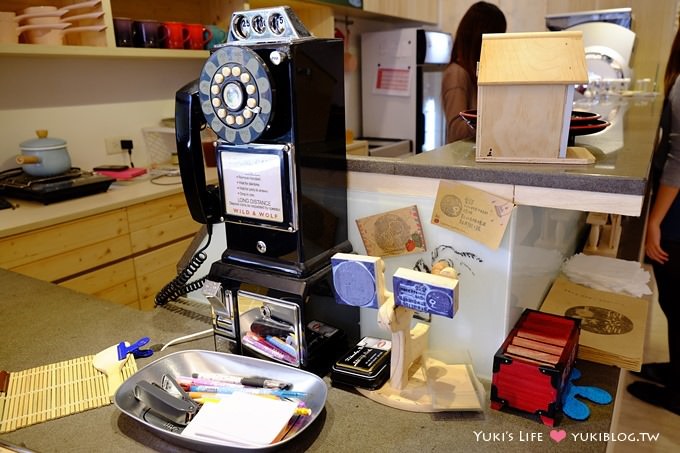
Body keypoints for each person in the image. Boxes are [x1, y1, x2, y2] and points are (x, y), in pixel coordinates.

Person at [627, 25, 680, 416]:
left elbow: (679, 160)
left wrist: (655, 220)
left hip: (676, 211)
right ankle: (676, 373)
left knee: (676, 296)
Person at [441, 1, 506, 144]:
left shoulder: (473, 72)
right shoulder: (457, 74)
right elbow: (457, 132)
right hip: (459, 163)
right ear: (481, 37)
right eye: (497, 36)